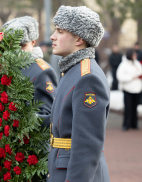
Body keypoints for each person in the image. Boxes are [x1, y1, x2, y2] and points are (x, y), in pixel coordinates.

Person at [48, 6, 110, 182]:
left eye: (60, 31)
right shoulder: (72, 70)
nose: (53, 36)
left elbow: (87, 145)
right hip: (61, 167)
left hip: (75, 175)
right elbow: (62, 122)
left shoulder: (87, 77)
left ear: (79, 39)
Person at [2, 16, 58, 129]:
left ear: (33, 42)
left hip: (30, 142)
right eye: (13, 46)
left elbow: (47, 116)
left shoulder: (42, 71)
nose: (17, 51)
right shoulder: (4, 67)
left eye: (22, 46)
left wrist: (19, 115)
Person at [116, 49, 142, 131]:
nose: (136, 56)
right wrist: (132, 77)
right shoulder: (123, 65)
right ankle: (126, 125)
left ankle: (134, 124)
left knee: (135, 107)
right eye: (134, 55)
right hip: (128, 89)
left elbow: (141, 72)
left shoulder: (137, 63)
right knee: (128, 107)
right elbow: (120, 77)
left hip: (137, 89)